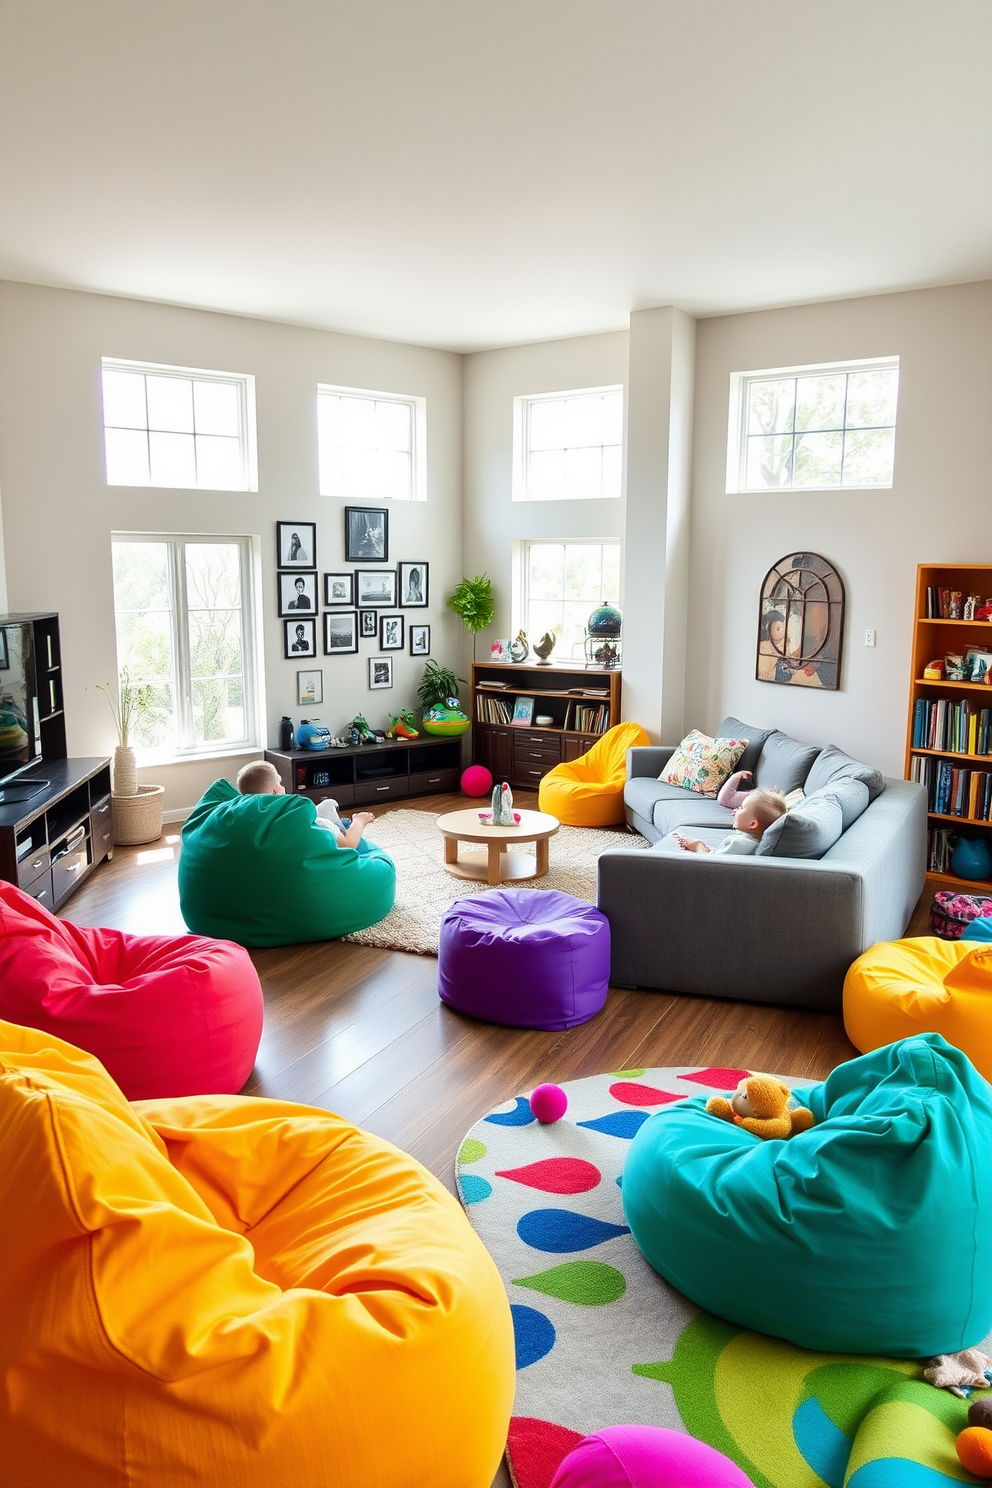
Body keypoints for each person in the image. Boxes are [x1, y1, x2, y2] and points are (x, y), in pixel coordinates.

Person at [236, 760, 375, 853]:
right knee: (350, 826)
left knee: (330, 810)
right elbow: (349, 845)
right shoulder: (310, 823)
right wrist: (360, 821)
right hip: (329, 842)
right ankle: (356, 821)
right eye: (280, 784)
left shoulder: (248, 820)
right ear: (275, 790)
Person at [674, 787, 787, 856]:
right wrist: (707, 848)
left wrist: (697, 845)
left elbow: (711, 863)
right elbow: (722, 855)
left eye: (741, 808)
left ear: (752, 823)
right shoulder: (753, 843)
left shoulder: (738, 844)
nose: (736, 809)